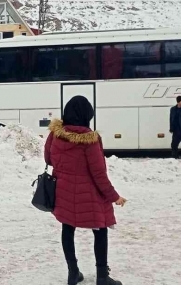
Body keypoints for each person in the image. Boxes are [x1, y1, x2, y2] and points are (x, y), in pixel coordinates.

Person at [44, 96, 126, 285]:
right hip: (89, 195)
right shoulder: (90, 139)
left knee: (67, 228)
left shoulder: (55, 134)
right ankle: (102, 277)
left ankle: (73, 274)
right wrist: (114, 196)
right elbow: (98, 173)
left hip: (63, 191)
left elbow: (48, 159)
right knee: (100, 230)